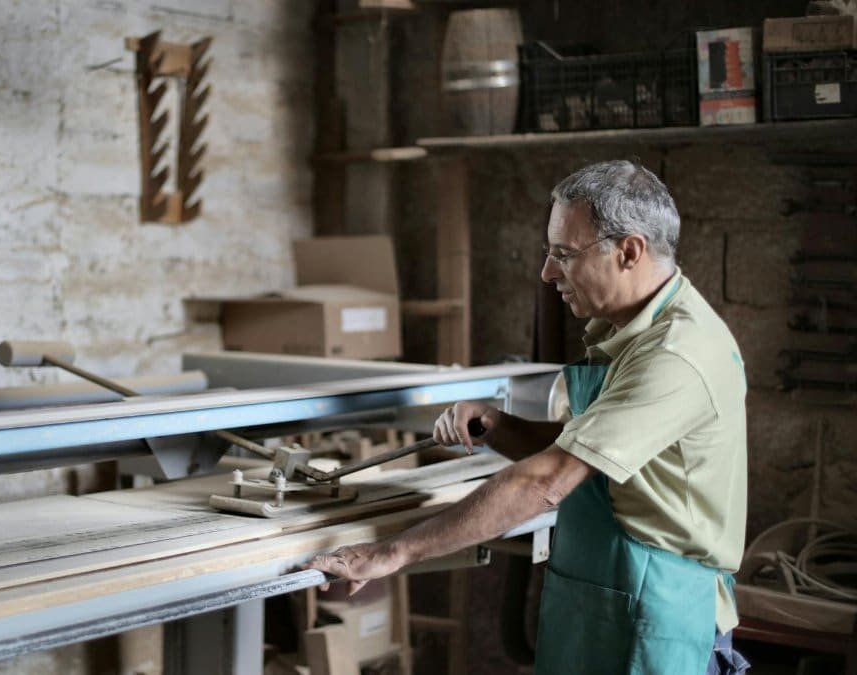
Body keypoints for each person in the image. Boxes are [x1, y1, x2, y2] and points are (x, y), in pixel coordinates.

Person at [306, 160, 750, 675]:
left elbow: (548, 479)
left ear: (629, 251)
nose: (547, 273)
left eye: (564, 255)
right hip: (614, 595)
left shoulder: (676, 355)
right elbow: (587, 448)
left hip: (661, 614)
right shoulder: (632, 330)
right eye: (549, 253)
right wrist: (501, 428)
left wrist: (391, 554)